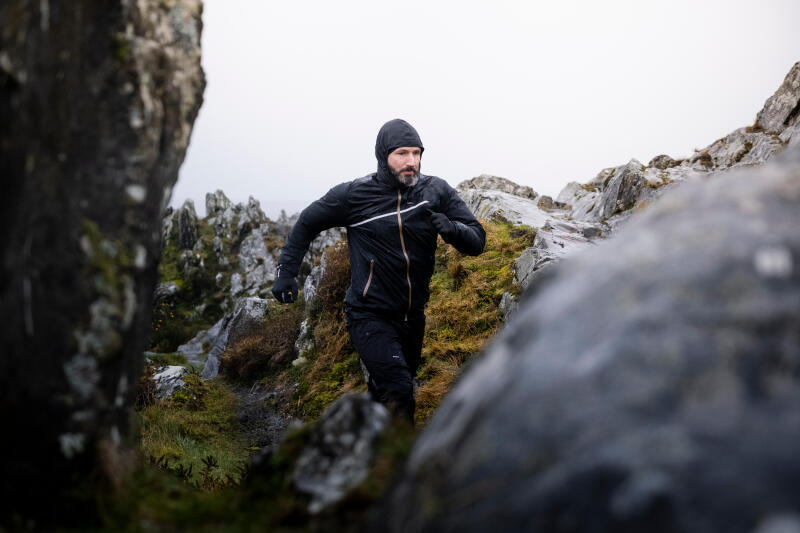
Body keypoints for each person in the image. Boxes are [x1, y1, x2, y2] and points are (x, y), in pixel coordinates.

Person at [272, 119, 486, 423]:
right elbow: (308, 222)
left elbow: (477, 241)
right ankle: (398, 468)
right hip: (369, 315)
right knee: (399, 391)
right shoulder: (354, 195)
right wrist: (286, 271)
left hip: (413, 318)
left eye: (417, 153)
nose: (411, 161)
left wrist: (451, 229)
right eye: (402, 153)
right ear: (383, 157)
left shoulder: (435, 190)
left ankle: (361, 449)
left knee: (385, 390)